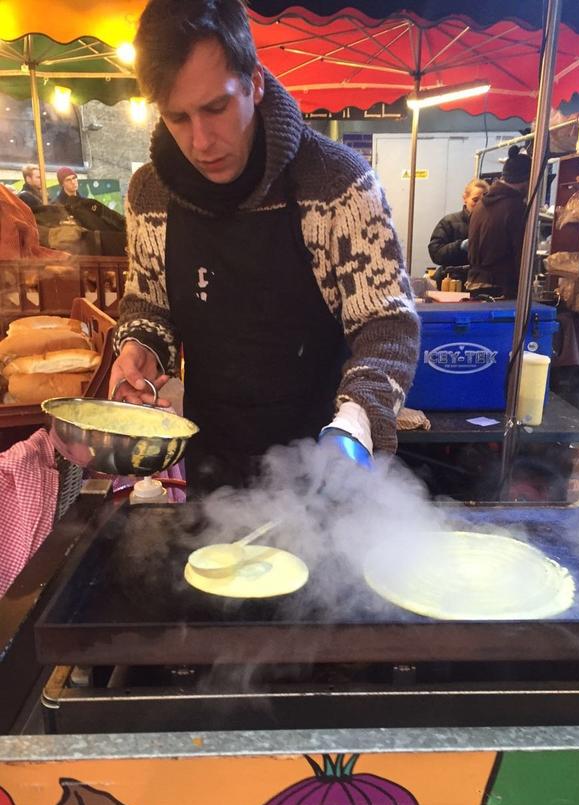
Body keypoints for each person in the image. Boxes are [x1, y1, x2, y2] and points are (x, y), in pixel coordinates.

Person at [109, 0, 419, 494]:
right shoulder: (150, 193)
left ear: (254, 81)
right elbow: (150, 304)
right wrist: (142, 346)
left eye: (216, 107)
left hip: (325, 462)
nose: (201, 141)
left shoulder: (337, 184)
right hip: (214, 464)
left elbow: (387, 323)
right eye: (177, 117)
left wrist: (359, 420)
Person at [466, 145, 532, 298]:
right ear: (527, 180)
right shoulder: (515, 207)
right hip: (499, 287)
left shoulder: (482, 204)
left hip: (475, 282)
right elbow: (521, 254)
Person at [428, 178, 489, 284]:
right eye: (475, 200)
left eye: (483, 200)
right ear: (465, 198)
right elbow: (436, 253)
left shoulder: (490, 224)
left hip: (481, 283)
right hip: (453, 283)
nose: (479, 204)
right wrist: (460, 246)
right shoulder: (449, 222)